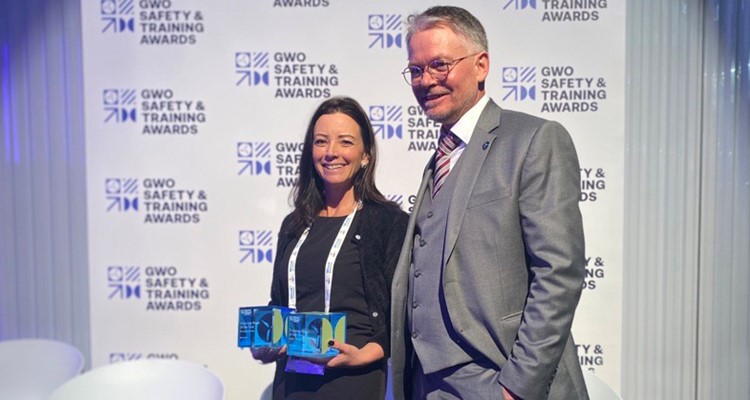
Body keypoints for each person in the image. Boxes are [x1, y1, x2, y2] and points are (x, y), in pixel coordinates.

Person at [390, 6, 589, 400]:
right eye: (416, 70)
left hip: (497, 381)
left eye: (440, 65)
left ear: (481, 65)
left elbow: (559, 272)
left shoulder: (534, 139)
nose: (426, 80)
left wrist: (517, 387)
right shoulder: (440, 158)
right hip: (426, 384)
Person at [252, 96, 409, 400]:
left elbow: (403, 315)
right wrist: (264, 339)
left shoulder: (387, 222)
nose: (331, 153)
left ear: (366, 155)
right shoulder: (294, 224)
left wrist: (362, 355)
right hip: (291, 382)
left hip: (352, 379)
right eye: (321, 142)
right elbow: (278, 301)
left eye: (345, 142)